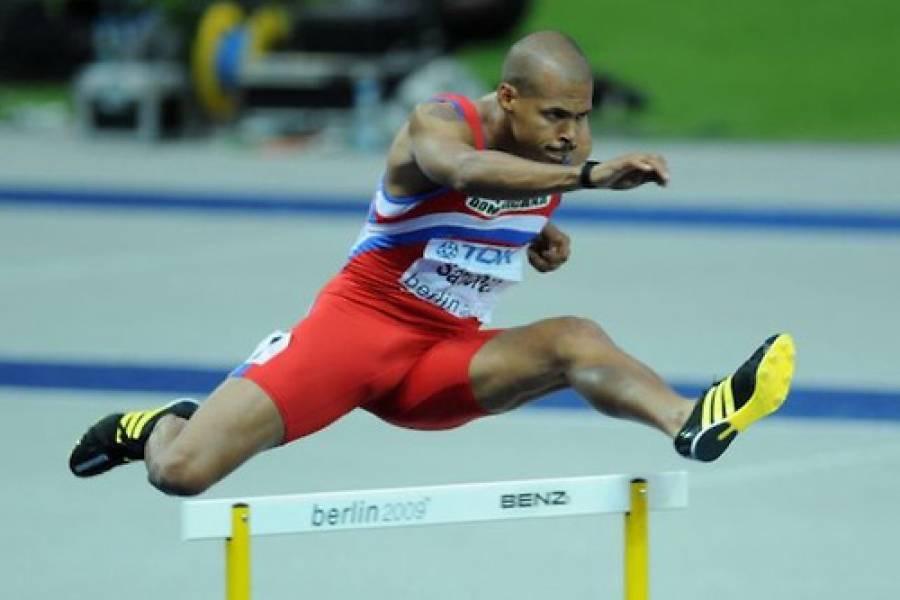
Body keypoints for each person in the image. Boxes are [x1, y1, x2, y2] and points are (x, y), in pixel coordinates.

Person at [69, 31, 795, 495]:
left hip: (443, 358)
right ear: (508, 97)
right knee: (182, 473)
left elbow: (488, 206)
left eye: (582, 116)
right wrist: (586, 179)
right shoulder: (440, 122)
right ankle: (159, 424)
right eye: (556, 116)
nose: (573, 135)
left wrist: (535, 233)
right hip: (356, 333)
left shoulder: (557, 146)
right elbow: (465, 172)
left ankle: (689, 420)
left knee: (575, 337)